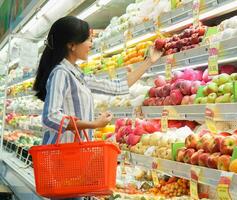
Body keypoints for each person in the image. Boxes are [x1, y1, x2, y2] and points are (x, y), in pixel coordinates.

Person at [32, 16, 161, 200]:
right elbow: (50, 116)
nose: (91, 43)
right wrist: (93, 124)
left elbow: (117, 86)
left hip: (76, 162)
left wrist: (149, 61)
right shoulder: (61, 73)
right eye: (88, 39)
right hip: (64, 162)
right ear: (72, 45)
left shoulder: (76, 74)